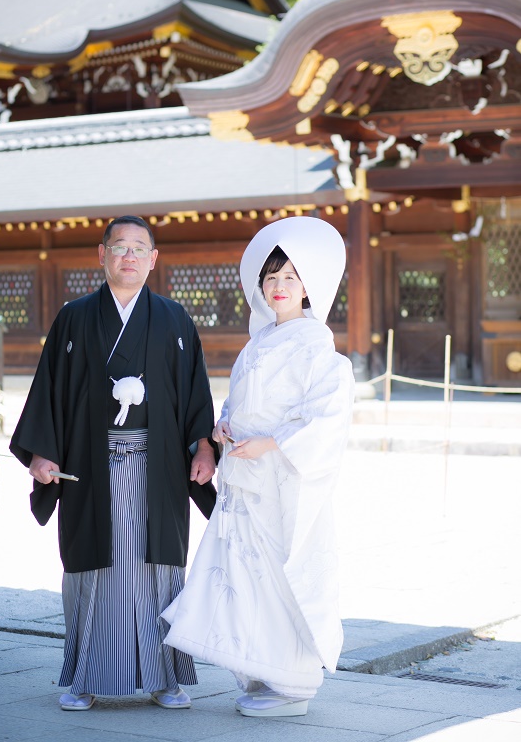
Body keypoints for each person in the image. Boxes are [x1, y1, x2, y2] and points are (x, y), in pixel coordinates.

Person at [10, 215, 217, 711]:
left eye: (139, 248)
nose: (129, 256)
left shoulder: (175, 319)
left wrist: (205, 447)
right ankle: (83, 677)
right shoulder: (74, 317)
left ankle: (165, 677)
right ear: (101, 255)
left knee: (159, 570)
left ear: (153, 259)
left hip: (159, 466)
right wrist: (41, 452)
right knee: (90, 572)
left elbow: (195, 395)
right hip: (88, 466)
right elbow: (49, 391)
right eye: (119, 247)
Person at [162, 216, 355, 718]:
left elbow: (326, 418)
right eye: (271, 278)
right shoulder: (257, 342)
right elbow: (240, 403)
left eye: (290, 277)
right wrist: (224, 427)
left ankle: (293, 683)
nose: (278, 287)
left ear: (308, 286)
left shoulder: (318, 346)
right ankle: (260, 669)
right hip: (244, 476)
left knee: (279, 576)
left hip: (281, 479)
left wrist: (270, 442)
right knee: (244, 577)